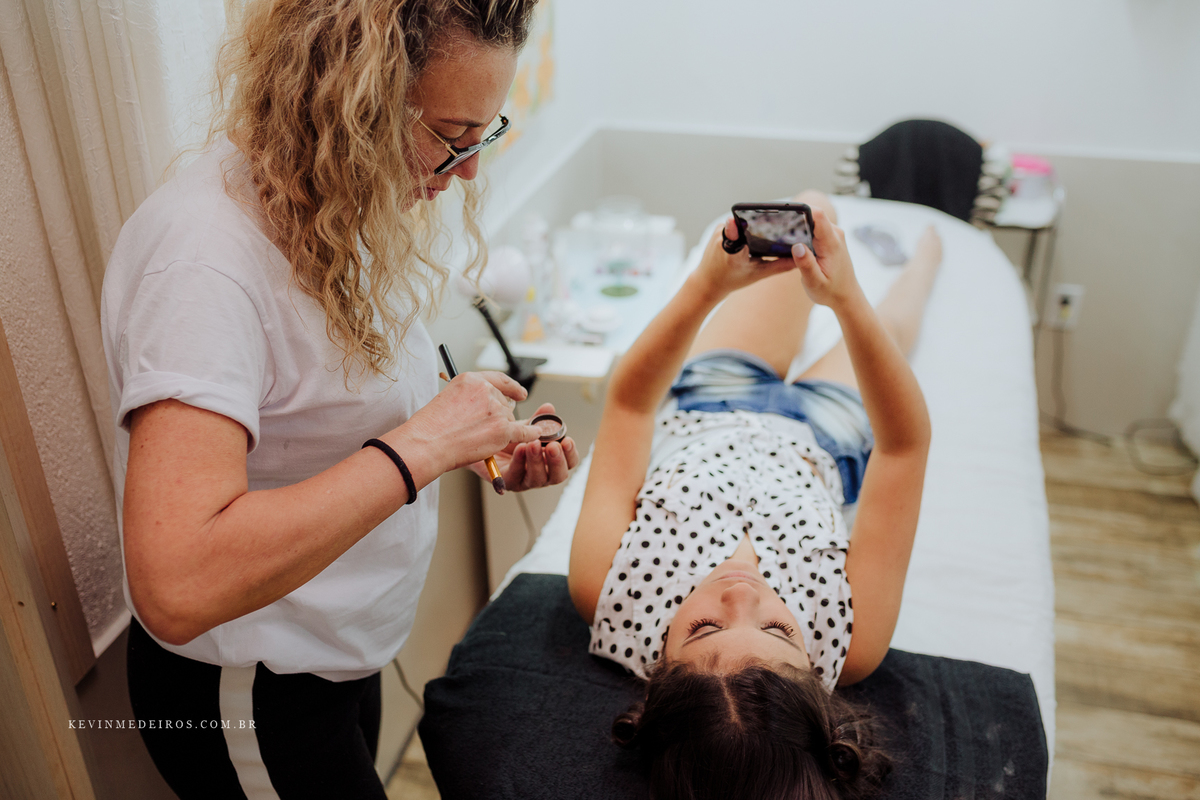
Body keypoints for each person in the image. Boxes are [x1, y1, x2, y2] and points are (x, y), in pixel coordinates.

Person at [100, 1, 579, 797]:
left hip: (331, 666)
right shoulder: (203, 264)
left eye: (482, 137)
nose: (466, 171)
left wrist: (466, 438)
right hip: (249, 691)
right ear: (350, 94)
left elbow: (312, 412)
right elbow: (177, 582)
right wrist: (423, 444)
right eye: (452, 137)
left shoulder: (329, 201)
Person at [568, 191, 939, 799]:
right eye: (779, 630)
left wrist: (706, 285)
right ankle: (926, 254)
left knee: (808, 213)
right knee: (889, 327)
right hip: (827, 434)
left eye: (705, 627)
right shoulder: (852, 640)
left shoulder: (609, 586)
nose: (743, 596)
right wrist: (847, 303)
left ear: (657, 684)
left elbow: (631, 404)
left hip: (713, 399)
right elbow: (903, 448)